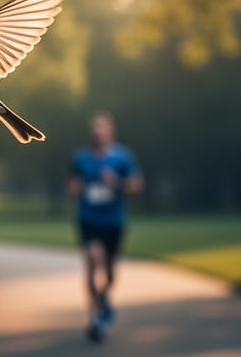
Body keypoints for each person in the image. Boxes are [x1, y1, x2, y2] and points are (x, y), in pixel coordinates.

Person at [68, 111, 143, 343]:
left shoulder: (122, 157)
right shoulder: (80, 157)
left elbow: (136, 185)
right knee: (93, 259)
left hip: (113, 220)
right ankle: (95, 318)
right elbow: (73, 183)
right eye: (94, 127)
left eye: (102, 127)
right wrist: (75, 189)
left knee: (109, 273)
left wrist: (117, 182)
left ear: (110, 132)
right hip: (89, 218)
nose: (97, 131)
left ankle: (102, 300)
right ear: (90, 132)